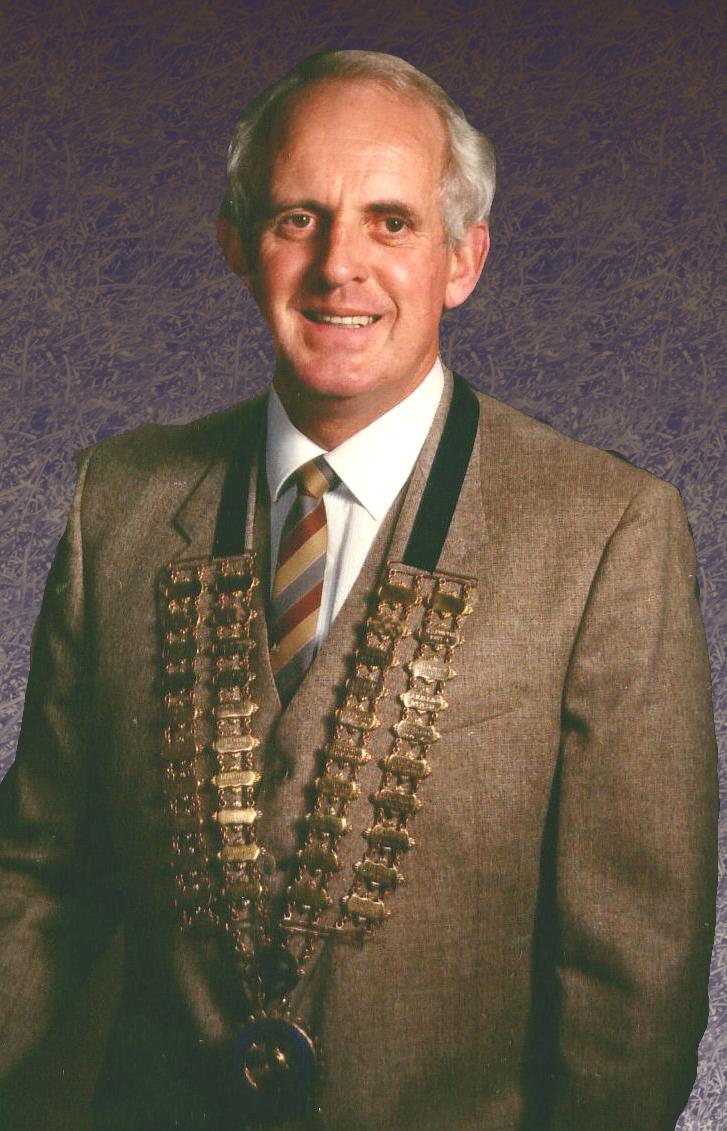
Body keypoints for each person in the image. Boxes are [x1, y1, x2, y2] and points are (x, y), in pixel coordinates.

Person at [0, 49, 717, 1131]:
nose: (341, 265)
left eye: (391, 222)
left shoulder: (603, 531)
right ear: (237, 246)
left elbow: (634, 974)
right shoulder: (123, 502)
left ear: (462, 259)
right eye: (299, 218)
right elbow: (39, 881)